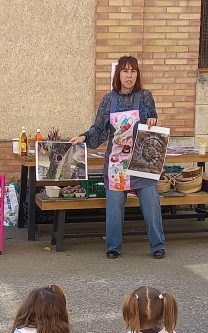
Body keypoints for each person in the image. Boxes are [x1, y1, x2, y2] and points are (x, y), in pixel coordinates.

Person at [69, 55, 166, 260]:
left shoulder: (145, 97)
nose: (129, 75)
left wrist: (153, 121)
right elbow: (99, 130)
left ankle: (158, 245)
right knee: (114, 208)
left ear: (137, 74)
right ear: (118, 75)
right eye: (125, 71)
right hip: (116, 163)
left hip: (142, 161)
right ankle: (113, 246)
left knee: (151, 206)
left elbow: (153, 121)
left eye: (133, 71)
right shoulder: (108, 99)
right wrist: (84, 137)